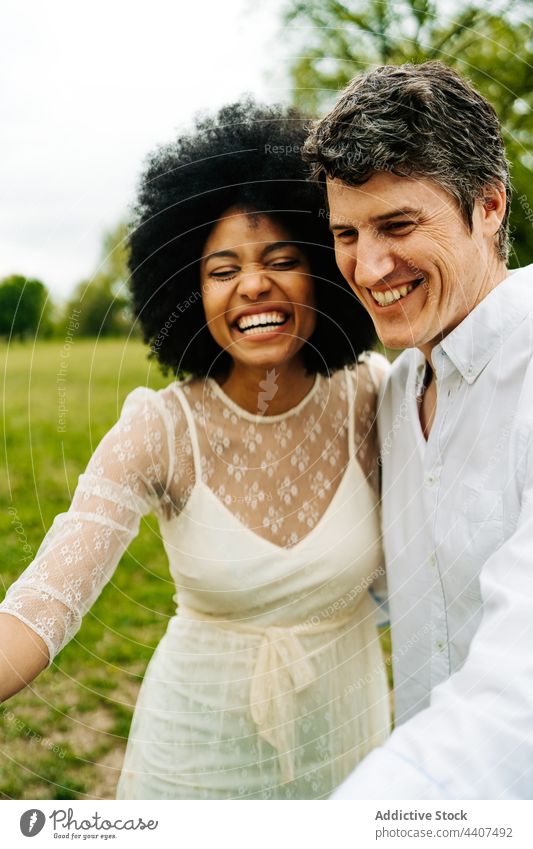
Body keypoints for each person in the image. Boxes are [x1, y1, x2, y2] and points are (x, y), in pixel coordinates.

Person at [0, 100, 391, 799]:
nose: (252, 285)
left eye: (281, 258)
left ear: (325, 270)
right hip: (195, 763)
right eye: (221, 270)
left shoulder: (371, 398)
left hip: (350, 747)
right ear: (185, 287)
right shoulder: (160, 427)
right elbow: (46, 599)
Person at [304, 61, 533, 799]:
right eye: (346, 233)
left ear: (489, 205)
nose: (368, 267)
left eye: (398, 224)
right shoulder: (397, 390)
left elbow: (514, 700)